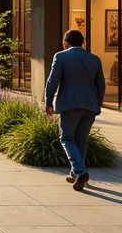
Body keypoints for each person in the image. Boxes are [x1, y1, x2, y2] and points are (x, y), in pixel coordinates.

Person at [44, 29, 105, 192]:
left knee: (67, 138)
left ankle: (80, 172)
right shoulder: (95, 59)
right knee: (81, 139)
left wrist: (48, 102)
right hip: (90, 106)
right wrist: (96, 103)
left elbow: (52, 82)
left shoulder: (61, 56)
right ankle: (75, 173)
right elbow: (101, 84)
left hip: (70, 105)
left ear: (66, 43)